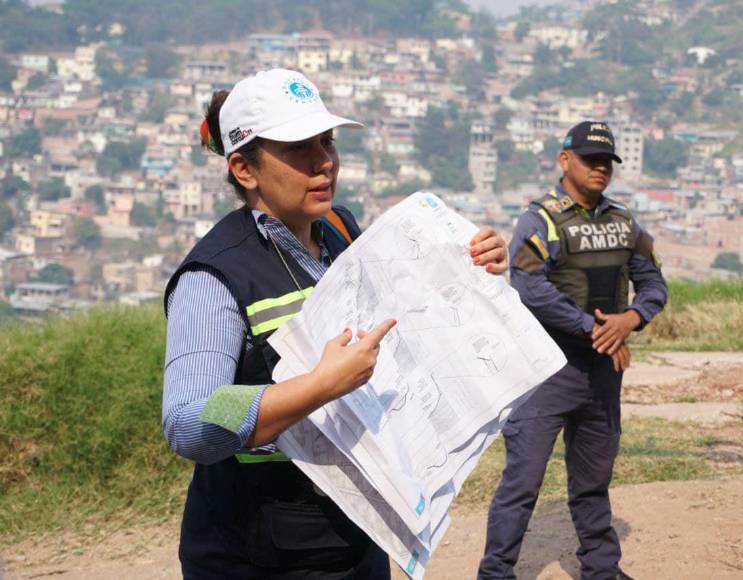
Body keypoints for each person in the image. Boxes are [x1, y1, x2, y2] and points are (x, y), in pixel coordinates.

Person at [162, 68, 508, 579]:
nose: (325, 161)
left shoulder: (340, 234)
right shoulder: (213, 277)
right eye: (300, 148)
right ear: (244, 168)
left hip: (356, 532)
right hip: (260, 554)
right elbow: (189, 422)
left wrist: (476, 262)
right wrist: (320, 385)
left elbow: (403, 317)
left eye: (326, 141)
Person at [477, 121, 668, 580]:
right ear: (565, 161)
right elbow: (529, 287)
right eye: (590, 159)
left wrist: (631, 319)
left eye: (607, 161)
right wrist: (594, 329)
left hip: (603, 373)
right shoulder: (539, 220)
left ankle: (602, 570)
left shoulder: (624, 223)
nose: (601, 168)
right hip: (546, 372)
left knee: (593, 482)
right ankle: (495, 573)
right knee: (522, 483)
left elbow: (654, 283)